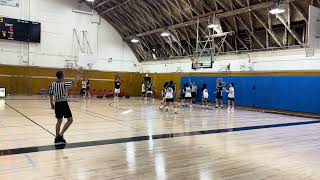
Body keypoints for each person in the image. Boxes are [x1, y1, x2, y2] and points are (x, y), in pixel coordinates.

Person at [49, 71, 79, 145]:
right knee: (70, 120)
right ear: (62, 76)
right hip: (64, 104)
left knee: (59, 121)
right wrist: (78, 75)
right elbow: (73, 83)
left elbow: (50, 93)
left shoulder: (52, 84)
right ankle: (61, 135)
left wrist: (51, 103)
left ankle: (57, 137)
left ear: (57, 76)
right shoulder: (64, 84)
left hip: (57, 104)